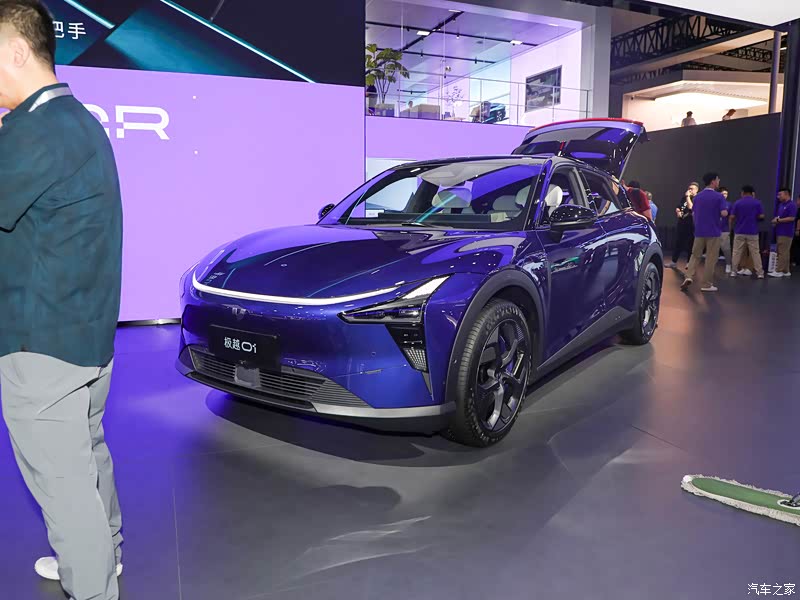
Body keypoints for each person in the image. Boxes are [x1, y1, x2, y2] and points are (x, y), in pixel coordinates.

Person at [0, 2, 124, 600]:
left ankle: (93, 585)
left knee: (60, 478)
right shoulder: (75, 119)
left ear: (16, 50)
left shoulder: (33, 131)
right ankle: (106, 556)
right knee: (86, 454)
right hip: (85, 332)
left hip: (41, 339)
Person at [681, 172, 729, 292]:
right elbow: (724, 213)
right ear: (713, 181)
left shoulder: (698, 197)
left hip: (699, 231)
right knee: (711, 258)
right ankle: (706, 284)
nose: (718, 181)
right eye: (717, 180)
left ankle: (688, 276)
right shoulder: (719, 197)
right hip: (714, 231)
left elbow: (694, 213)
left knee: (695, 255)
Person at [730, 185, 765, 279]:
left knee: (736, 252)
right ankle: (760, 273)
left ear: (743, 192)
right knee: (755, 253)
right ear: (752, 193)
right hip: (753, 231)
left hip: (739, 231)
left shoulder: (738, 202)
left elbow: (732, 216)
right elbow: (762, 216)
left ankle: (733, 271)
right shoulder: (757, 203)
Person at [667, 181, 699, 268]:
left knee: (690, 244)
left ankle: (689, 263)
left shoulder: (696, 199)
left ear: (696, 190)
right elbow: (679, 206)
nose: (689, 190)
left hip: (691, 224)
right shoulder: (684, 198)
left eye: (692, 189)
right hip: (682, 223)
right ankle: (674, 262)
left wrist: (688, 196)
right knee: (678, 242)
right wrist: (678, 211)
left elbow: (691, 207)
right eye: (689, 188)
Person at [770, 187, 798, 277]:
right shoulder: (781, 205)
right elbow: (779, 217)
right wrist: (775, 221)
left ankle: (779, 271)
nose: (778, 196)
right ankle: (786, 271)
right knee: (784, 251)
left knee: (782, 252)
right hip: (780, 231)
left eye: (780, 194)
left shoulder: (792, 205)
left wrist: (778, 220)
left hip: (786, 232)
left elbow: (792, 218)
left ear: (786, 194)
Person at [718, 186, 733, 274]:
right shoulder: (715, 203)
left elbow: (730, 218)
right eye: (723, 193)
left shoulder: (729, 204)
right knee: (712, 249)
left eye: (726, 194)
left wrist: (729, 229)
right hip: (714, 229)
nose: (725, 195)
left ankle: (728, 264)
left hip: (724, 229)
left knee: (726, 248)